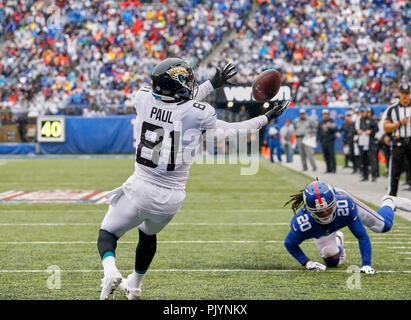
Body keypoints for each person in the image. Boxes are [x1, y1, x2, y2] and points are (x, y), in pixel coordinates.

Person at [96, 58, 290, 300]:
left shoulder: (142, 97)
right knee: (148, 234)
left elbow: (174, 100)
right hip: (170, 199)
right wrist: (267, 116)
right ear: (179, 85)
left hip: (140, 186)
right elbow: (232, 130)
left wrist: (210, 84)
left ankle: (111, 271)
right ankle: (134, 286)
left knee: (107, 235)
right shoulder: (200, 114)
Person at [283, 180, 411, 272]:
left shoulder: (344, 204)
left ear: (334, 203)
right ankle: (338, 240)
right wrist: (307, 263)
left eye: (328, 209)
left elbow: (361, 235)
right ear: (310, 211)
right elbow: (289, 243)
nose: (325, 213)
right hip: (323, 228)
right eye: (320, 212)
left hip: (340, 202)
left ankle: (390, 201)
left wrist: (366, 265)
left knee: (382, 226)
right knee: (332, 261)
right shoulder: (303, 222)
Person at [383, 83, 411, 196]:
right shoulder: (392, 109)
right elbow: (386, 126)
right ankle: (391, 200)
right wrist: (399, 123)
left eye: (407, 93)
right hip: (398, 141)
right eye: (403, 93)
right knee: (394, 173)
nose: (405, 95)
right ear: (399, 93)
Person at [355, 106, 379, 182]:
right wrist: (358, 131)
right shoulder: (359, 120)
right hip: (362, 141)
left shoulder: (371, 119)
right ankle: (365, 176)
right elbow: (354, 129)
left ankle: (374, 176)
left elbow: (377, 129)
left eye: (363, 112)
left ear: (366, 112)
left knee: (372, 159)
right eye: (361, 112)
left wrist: (371, 131)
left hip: (370, 141)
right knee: (363, 159)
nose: (362, 114)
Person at [317, 109, 337, 173]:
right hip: (323, 140)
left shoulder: (331, 121)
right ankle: (328, 168)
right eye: (324, 114)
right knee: (325, 155)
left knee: (331, 154)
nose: (325, 115)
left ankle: (333, 168)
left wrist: (329, 126)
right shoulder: (321, 122)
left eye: (326, 114)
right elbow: (318, 132)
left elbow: (335, 129)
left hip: (330, 140)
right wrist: (317, 140)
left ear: (328, 114)